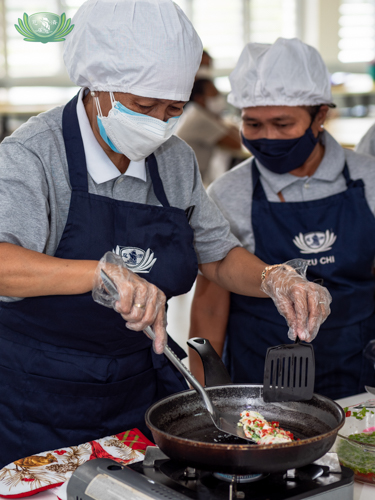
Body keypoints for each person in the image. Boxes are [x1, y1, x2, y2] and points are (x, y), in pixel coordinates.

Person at [0, 2, 330, 468]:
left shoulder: (172, 160)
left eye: (171, 109)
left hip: (136, 390)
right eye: (142, 106)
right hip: (39, 399)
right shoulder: (32, 156)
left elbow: (216, 255)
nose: (157, 123)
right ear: (96, 87)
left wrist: (276, 278)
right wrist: (100, 273)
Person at [189, 38, 375, 401]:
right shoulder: (230, 192)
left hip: (357, 374)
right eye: (253, 124)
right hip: (261, 379)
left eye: (282, 123)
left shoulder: (369, 178)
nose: (267, 137)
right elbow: (211, 303)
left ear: (320, 116)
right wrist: (205, 395)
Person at [177, 78, 242, 184]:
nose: (219, 98)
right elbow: (236, 143)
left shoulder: (194, 111)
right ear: (200, 99)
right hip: (187, 181)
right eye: (214, 94)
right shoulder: (200, 119)